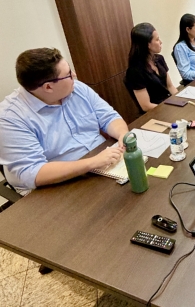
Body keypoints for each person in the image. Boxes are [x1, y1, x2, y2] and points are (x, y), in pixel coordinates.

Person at [0, 48, 129, 196]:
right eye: (68, 74)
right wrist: (93, 163)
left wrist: (122, 135)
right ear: (48, 87)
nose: (74, 75)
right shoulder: (9, 118)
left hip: (101, 162)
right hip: (54, 184)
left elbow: (109, 117)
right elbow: (32, 173)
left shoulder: (77, 88)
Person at [125, 23, 178, 113]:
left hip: (168, 104)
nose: (161, 42)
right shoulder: (135, 71)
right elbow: (146, 106)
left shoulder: (159, 59)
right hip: (155, 112)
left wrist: (179, 101)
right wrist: (169, 109)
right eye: (157, 39)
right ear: (148, 44)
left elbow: (170, 86)